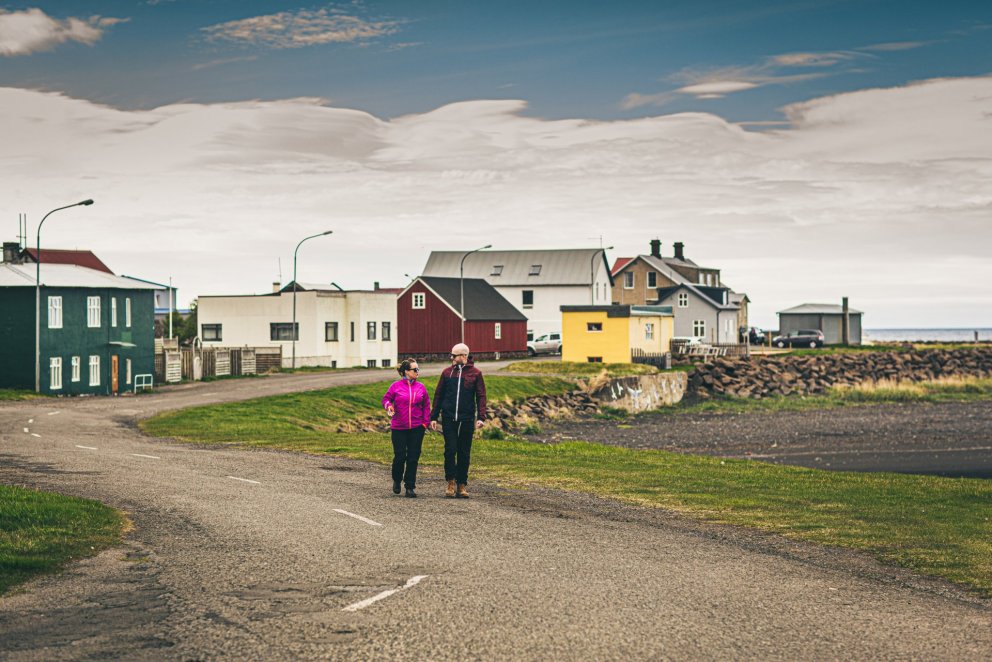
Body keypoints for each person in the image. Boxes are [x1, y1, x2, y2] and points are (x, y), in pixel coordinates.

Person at [430, 343, 487, 498]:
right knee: (450, 450)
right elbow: (438, 395)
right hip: (449, 418)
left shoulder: (475, 373)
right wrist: (433, 416)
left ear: (463, 356)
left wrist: (481, 417)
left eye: (454, 355)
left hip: (467, 419)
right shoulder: (447, 373)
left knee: (464, 452)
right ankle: (451, 482)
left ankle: (462, 485)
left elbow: (481, 396)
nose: (452, 358)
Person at [382, 358, 431, 498]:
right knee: (400, 456)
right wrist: (389, 406)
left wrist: (425, 423)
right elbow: (386, 399)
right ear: (406, 372)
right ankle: (397, 479)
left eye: (418, 369)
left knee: (413, 457)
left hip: (417, 428)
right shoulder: (395, 386)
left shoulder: (421, 387)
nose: (417, 372)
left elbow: (426, 405)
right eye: (415, 369)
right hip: (399, 428)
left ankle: (410, 486)